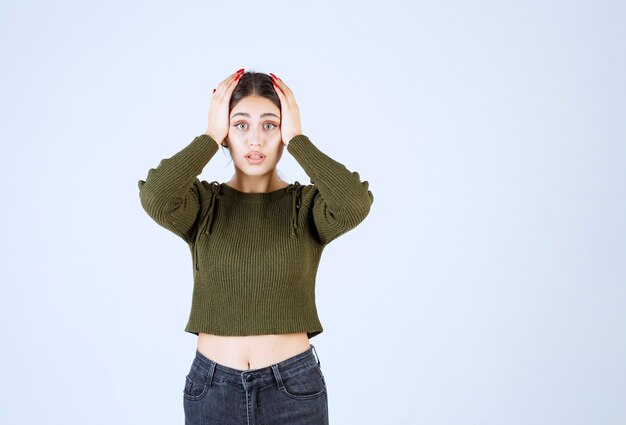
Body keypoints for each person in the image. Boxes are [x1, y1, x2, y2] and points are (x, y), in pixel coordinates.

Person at [137, 68, 373, 425]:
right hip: (212, 390)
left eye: (270, 125)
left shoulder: (306, 207)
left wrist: (299, 141)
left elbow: (355, 202)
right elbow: (155, 195)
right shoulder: (203, 205)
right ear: (226, 133)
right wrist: (208, 136)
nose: (255, 140)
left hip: (293, 390)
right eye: (241, 125)